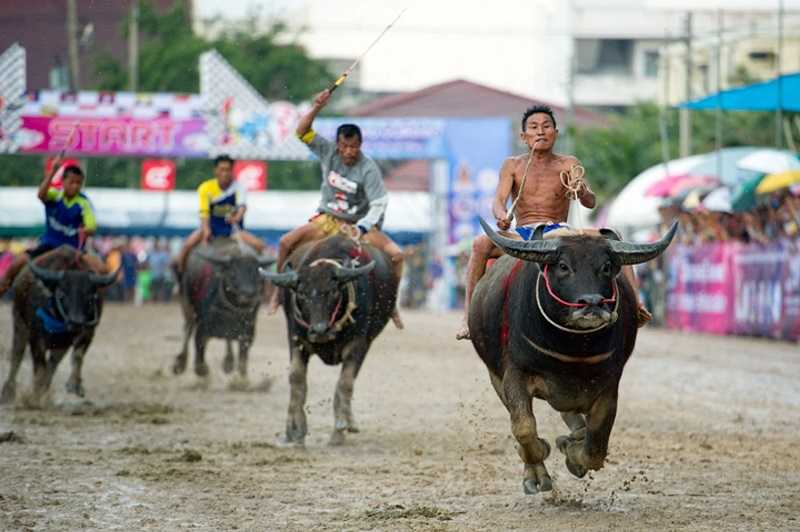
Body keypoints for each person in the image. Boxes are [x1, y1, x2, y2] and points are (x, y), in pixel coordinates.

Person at [456, 104, 651, 340]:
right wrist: (501, 216)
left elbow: (590, 202)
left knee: (614, 238)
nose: (541, 132)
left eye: (547, 127)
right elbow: (498, 201)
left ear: (555, 134)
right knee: (479, 244)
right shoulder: (513, 165)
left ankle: (636, 306)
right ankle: (469, 317)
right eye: (534, 127)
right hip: (524, 233)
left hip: (560, 233)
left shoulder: (568, 163)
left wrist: (581, 191)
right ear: (524, 136)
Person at [266, 89, 405, 329]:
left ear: (360, 145)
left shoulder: (368, 168)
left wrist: (362, 227)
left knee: (396, 255)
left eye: (354, 147)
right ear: (338, 145)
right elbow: (301, 132)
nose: (349, 152)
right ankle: (278, 294)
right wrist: (317, 106)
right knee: (286, 243)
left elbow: (379, 203)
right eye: (345, 146)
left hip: (358, 226)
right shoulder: (327, 151)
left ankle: (391, 304)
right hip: (327, 220)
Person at [0, 158, 106, 297]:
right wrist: (53, 171)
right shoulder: (55, 195)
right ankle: (3, 288)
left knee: (102, 269)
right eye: (72, 182)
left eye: (79, 183)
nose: (75, 186)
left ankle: (93, 302)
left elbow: (91, 225)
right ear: (63, 182)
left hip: (73, 251)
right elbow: (41, 194)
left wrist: (87, 229)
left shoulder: (83, 202)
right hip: (48, 246)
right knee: (18, 263)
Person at [174, 155, 266, 273]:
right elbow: (204, 212)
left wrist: (236, 218)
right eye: (222, 169)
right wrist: (206, 230)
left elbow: (242, 207)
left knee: (260, 246)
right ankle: (181, 278)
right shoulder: (206, 188)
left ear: (232, 171)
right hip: (211, 229)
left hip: (233, 231)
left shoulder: (238, 188)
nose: (225, 173)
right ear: (216, 171)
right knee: (187, 246)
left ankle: (263, 280)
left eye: (228, 170)